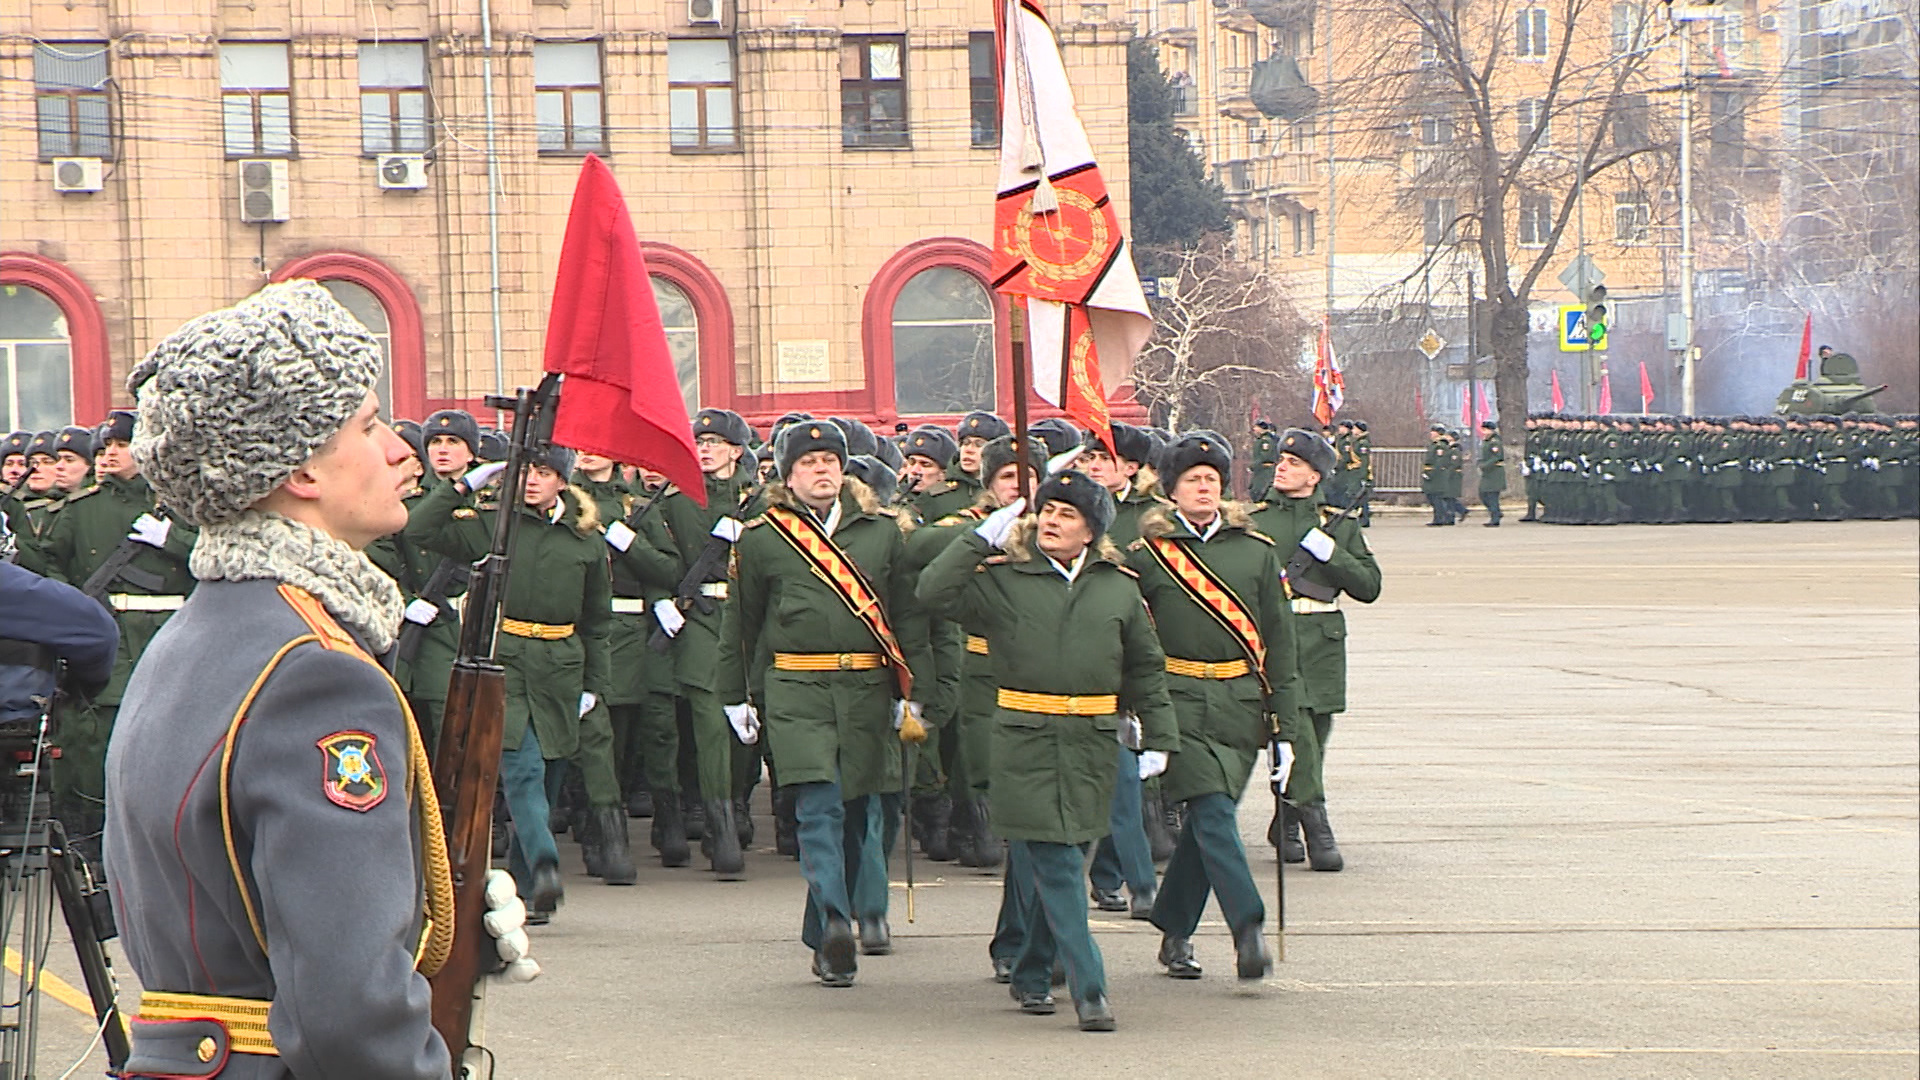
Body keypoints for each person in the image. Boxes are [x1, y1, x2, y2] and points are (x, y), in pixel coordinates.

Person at [105, 281, 534, 1078]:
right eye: (369, 427)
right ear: (300, 468)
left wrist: (425, 917)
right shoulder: (319, 676)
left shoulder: (191, 638)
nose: (402, 450)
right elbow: (349, 1015)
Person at [920, 469, 1178, 1031]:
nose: (1052, 522)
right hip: (1024, 739)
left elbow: (1146, 666)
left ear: (1091, 531)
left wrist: (1159, 736)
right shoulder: (1005, 578)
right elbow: (932, 592)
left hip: (1091, 741)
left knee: (1065, 856)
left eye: (1067, 514)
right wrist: (976, 540)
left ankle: (1033, 970)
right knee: (1059, 865)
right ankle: (1090, 987)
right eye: (1048, 512)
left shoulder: (1117, 585)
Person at [718, 421, 930, 986]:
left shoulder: (883, 534)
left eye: (830, 461)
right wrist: (734, 696)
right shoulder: (764, 539)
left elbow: (908, 620)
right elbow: (741, 625)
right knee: (818, 807)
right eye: (809, 462)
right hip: (796, 688)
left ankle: (825, 932)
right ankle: (837, 920)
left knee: (860, 815)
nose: (822, 470)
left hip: (866, 689)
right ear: (788, 475)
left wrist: (915, 695)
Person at [410, 439, 619, 912]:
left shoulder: (585, 538)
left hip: (561, 666)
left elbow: (597, 620)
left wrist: (594, 685)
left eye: (542, 473)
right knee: (522, 770)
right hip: (506, 659)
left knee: (548, 774)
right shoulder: (493, 527)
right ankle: (545, 863)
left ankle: (529, 890)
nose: (530, 481)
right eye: (523, 472)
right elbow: (421, 528)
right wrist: (466, 484)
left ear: (562, 481)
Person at [1128, 432, 1293, 982]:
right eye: (1193, 479)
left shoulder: (1256, 552)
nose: (1204, 487)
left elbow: (1280, 644)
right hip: (1175, 703)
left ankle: (1174, 929)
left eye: (1213, 480)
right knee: (1215, 813)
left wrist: (1286, 728)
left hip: (1239, 703)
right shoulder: (1148, 556)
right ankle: (1248, 927)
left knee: (1205, 823)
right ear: (1171, 490)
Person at [36, 409, 197, 861]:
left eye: (121, 446)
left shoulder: (182, 509)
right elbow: (51, 566)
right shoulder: (82, 509)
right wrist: (77, 612)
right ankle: (93, 853)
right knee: (98, 745)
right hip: (109, 638)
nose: (110, 455)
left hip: (171, 636)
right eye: (105, 448)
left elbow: (218, 559)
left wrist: (174, 540)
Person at [622, 407, 762, 879]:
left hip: (746, 616)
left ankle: (738, 805)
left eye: (714, 443)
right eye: (699, 443)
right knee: (707, 719)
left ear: (735, 451)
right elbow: (664, 562)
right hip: (701, 617)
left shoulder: (758, 501)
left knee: (745, 728)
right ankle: (720, 832)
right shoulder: (676, 500)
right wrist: (664, 599)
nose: (704, 450)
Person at [1251, 429, 1382, 871]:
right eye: (1281, 461)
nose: (1282, 468)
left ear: (1314, 476)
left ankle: (1286, 816)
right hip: (1277, 640)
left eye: (1294, 464)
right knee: (1298, 734)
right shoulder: (1255, 522)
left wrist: (1332, 554)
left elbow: (1369, 587)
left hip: (1322, 642)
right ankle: (1317, 825)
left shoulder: (1336, 524)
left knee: (1315, 738)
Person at [1075, 420, 1167, 911]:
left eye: (1101, 460)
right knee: (1115, 778)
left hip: (1139, 649)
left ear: (1130, 467)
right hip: (1091, 652)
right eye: (1087, 458)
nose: (1090, 466)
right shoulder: (1071, 510)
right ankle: (1125, 879)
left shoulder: (1152, 517)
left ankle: (1119, 876)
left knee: (1128, 778)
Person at [1476, 418, 1505, 526]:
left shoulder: (1495, 442)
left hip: (1494, 472)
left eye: (1486, 430)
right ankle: (1496, 512)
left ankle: (1495, 518)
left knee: (1492, 495)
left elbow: (1496, 457)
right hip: (1488, 473)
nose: (1484, 432)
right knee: (1483, 494)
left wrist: (1485, 465)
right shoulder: (1486, 441)